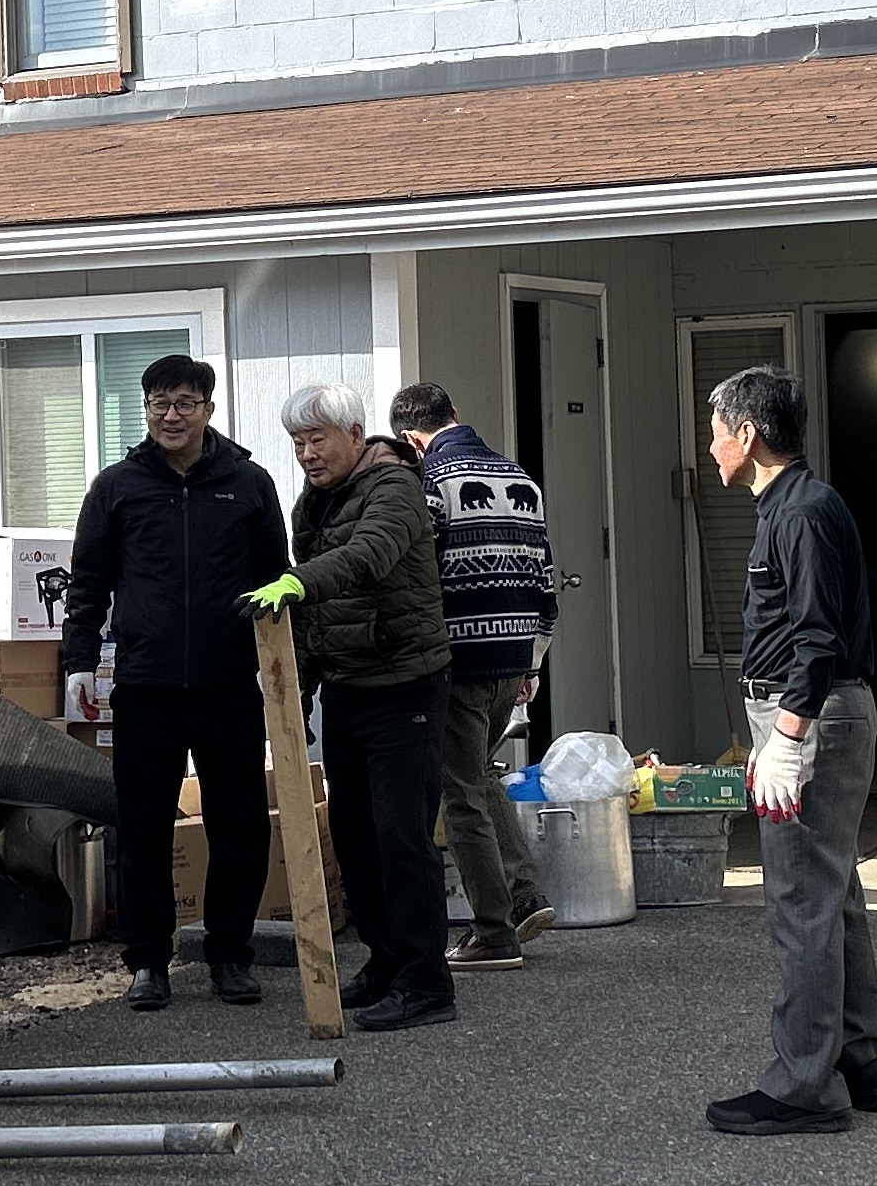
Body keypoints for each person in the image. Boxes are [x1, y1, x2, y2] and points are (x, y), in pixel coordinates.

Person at [55, 352, 294, 1011]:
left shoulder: (248, 484)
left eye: (185, 402)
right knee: (142, 829)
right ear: (146, 410)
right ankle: (148, 962)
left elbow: (277, 581)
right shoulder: (117, 487)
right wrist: (79, 663)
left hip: (228, 685)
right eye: (159, 403)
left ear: (208, 410)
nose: (171, 415)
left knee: (240, 826)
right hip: (145, 686)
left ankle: (230, 955)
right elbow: (88, 583)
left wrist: (287, 682)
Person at [703, 364, 877, 1135]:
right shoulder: (792, 506)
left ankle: (802, 1085)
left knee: (800, 899)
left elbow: (816, 635)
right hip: (808, 712)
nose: (710, 448)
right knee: (832, 886)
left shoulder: (803, 512)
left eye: (716, 432)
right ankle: (857, 1059)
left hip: (811, 714)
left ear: (747, 434)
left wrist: (786, 737)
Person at [246, 381, 460, 1032]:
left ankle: (427, 981)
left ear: (354, 435)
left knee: (402, 837)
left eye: (317, 439)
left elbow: (367, 557)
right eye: (297, 443)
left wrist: (296, 580)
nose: (307, 454)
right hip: (349, 689)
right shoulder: (315, 503)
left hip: (405, 687)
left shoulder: (395, 487)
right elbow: (317, 619)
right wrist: (298, 695)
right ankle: (387, 962)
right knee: (357, 839)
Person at [389, 381, 557, 969]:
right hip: (512, 658)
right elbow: (545, 578)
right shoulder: (522, 480)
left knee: (460, 793)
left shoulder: (430, 484)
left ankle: (493, 932)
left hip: (458, 660)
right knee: (479, 774)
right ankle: (524, 893)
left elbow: (419, 575)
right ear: (455, 415)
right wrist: (533, 660)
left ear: (411, 439)